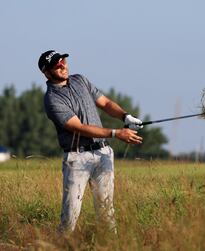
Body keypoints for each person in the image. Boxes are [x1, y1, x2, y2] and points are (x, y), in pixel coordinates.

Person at [38, 50, 143, 234]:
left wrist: (125, 116)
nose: (63, 65)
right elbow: (78, 127)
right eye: (57, 65)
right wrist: (116, 133)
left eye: (63, 61)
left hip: (103, 154)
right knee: (70, 216)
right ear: (47, 72)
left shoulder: (80, 80)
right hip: (77, 157)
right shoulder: (52, 99)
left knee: (106, 212)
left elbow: (105, 103)